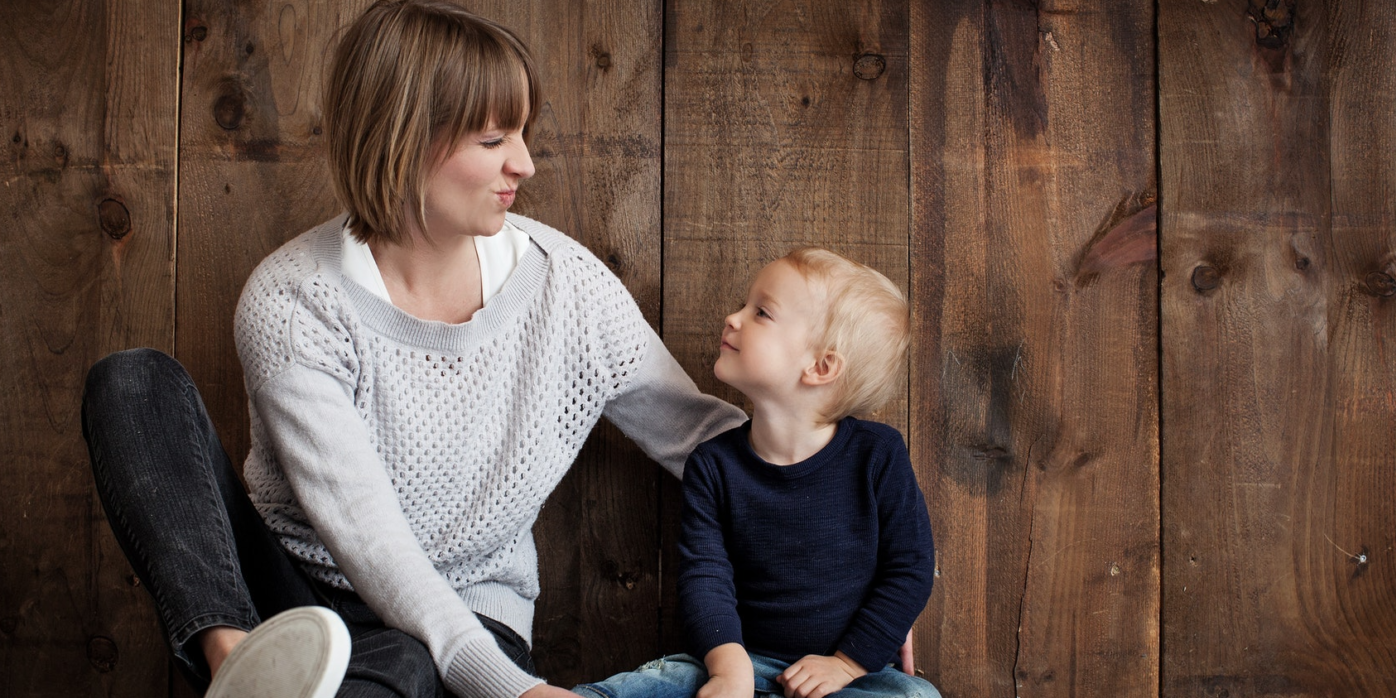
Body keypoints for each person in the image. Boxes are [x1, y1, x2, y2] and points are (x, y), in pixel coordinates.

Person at [79, 1, 746, 697]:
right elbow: (369, 539)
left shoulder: (567, 288)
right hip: (292, 602)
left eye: (522, 134)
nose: (525, 163)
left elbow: (702, 438)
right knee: (132, 384)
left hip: (466, 616)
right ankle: (237, 664)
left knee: (399, 661)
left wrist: (862, 478)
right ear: (402, 139)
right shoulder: (294, 300)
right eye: (493, 140)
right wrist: (518, 692)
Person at [572, 249, 938, 698]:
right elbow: (705, 577)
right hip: (743, 658)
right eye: (745, 305)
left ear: (821, 366)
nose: (733, 317)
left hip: (852, 672)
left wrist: (847, 664)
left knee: (915, 696)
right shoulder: (713, 465)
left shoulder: (878, 455)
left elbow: (911, 568)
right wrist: (729, 671)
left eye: (761, 312)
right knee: (654, 683)